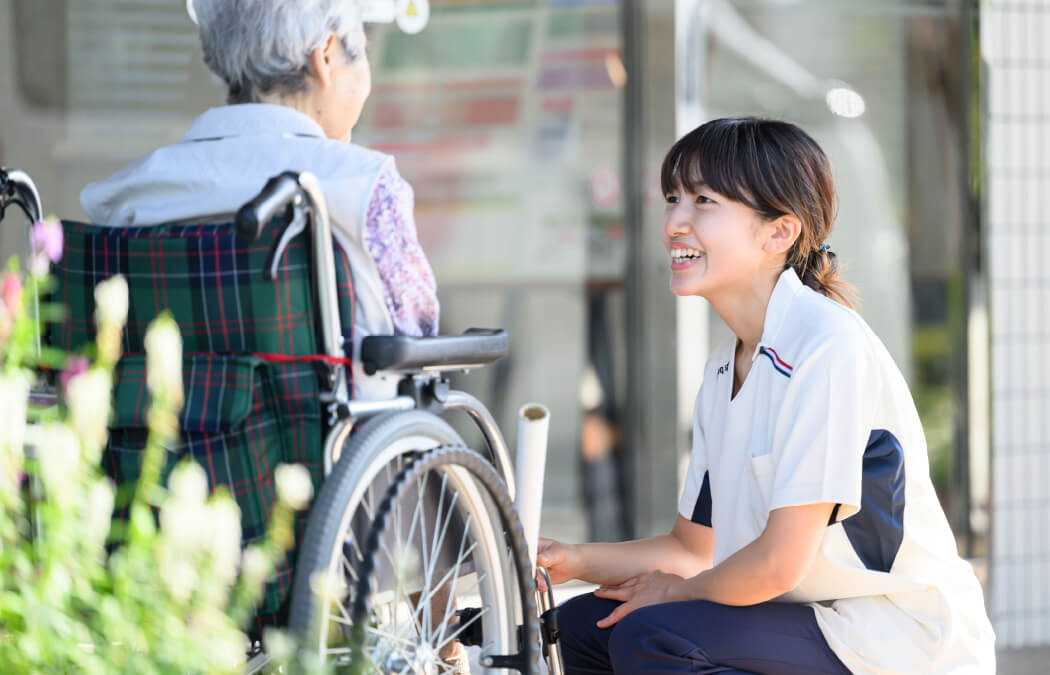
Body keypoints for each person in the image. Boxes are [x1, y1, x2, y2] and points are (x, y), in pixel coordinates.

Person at [537, 118, 995, 674]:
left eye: (704, 200)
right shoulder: (723, 369)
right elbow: (692, 550)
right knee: (577, 629)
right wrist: (573, 560)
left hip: (893, 635)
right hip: (797, 622)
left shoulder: (827, 345)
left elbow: (778, 564)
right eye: (673, 197)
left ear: (778, 232)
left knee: (655, 636)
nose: (675, 222)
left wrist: (674, 595)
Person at [80, 0, 437, 399]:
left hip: (166, 446)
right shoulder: (366, 184)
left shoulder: (130, 193)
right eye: (362, 53)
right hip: (338, 449)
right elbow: (419, 335)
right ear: (325, 57)